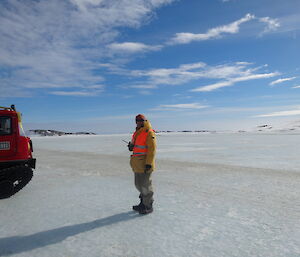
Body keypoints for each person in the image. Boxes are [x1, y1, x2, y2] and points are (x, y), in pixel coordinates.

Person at [128, 114, 156, 215]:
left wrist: (148, 163)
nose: (139, 122)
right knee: (138, 185)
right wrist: (131, 146)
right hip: (137, 163)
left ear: (145, 120)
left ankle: (148, 205)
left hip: (145, 164)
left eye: (141, 120)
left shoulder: (148, 132)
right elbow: (136, 145)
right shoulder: (137, 133)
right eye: (137, 120)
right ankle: (142, 203)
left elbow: (152, 149)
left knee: (145, 185)